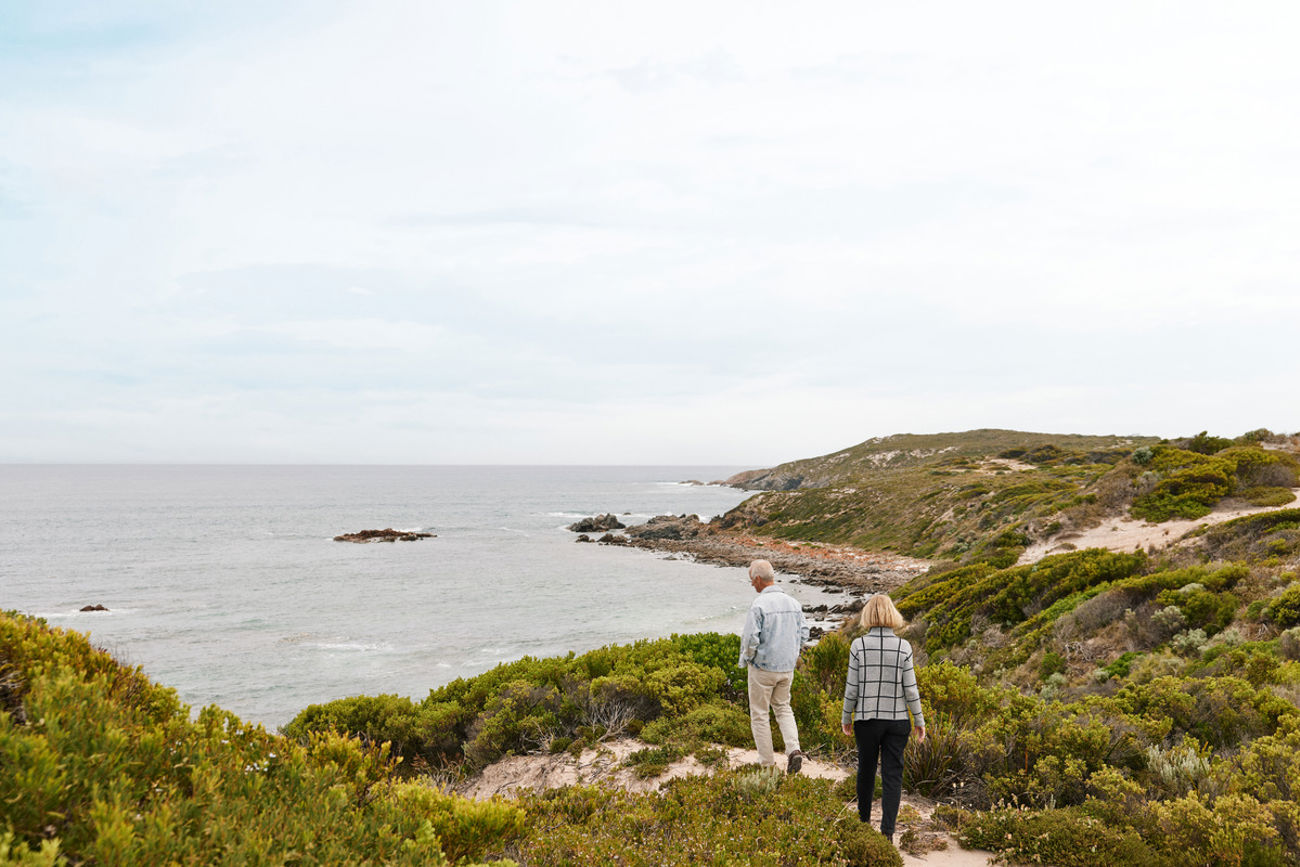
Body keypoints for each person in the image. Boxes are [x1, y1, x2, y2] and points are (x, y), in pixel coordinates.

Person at [841, 594, 926, 844]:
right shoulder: (904, 647)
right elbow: (911, 689)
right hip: (897, 721)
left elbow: (852, 688)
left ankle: (864, 825)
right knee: (892, 775)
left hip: (866, 720)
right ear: (892, 615)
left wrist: (847, 715)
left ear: (868, 615)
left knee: (865, 772)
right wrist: (919, 720)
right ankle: (887, 833)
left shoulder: (858, 646)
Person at [738, 558, 810, 773]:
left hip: (763, 668)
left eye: (752, 580)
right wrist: (791, 653)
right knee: (783, 708)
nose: (752, 584)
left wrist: (748, 659)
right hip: (786, 668)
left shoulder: (759, 604)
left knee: (760, 714)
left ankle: (767, 765)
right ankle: (794, 750)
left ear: (759, 579)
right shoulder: (793, 603)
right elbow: (804, 634)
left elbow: (750, 638)